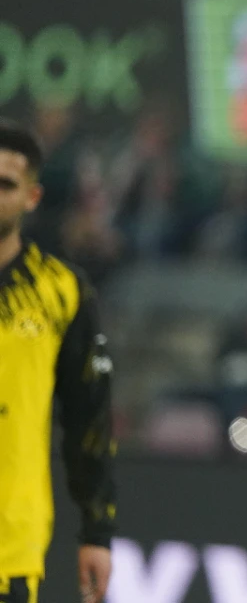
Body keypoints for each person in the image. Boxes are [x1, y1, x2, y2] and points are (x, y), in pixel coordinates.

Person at [0, 121, 116, 603]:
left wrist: (97, 531)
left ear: (32, 197)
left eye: (5, 184)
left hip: (8, 546)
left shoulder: (61, 293)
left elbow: (89, 415)